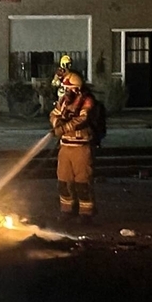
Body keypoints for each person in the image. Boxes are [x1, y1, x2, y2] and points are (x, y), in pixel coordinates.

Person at [50, 71, 96, 223]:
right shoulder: (63, 101)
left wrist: (63, 128)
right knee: (63, 181)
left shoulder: (87, 101)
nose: (65, 92)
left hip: (81, 148)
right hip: (65, 148)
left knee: (82, 182)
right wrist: (57, 123)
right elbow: (54, 114)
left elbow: (82, 119)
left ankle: (86, 213)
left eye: (68, 89)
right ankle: (67, 211)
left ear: (76, 89)